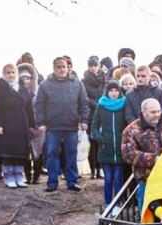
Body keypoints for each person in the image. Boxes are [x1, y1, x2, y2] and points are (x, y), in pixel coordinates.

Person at [121, 98, 162, 213]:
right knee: (147, 215)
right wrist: (154, 158)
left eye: (158, 111)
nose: (157, 115)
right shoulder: (131, 130)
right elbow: (128, 154)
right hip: (148, 179)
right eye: (153, 112)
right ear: (144, 111)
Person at [35, 56, 89, 192]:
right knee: (51, 153)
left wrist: (84, 120)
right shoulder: (45, 85)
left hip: (71, 125)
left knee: (71, 153)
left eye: (64, 67)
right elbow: (39, 105)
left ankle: (72, 181)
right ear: (54, 69)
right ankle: (52, 182)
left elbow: (84, 103)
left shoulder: (77, 83)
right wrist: (41, 122)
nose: (62, 69)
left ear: (68, 68)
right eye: (59, 67)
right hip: (52, 126)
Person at [0, 63, 35, 189]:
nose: (11, 75)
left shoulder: (22, 88)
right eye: (8, 73)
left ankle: (18, 176)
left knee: (20, 152)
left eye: (13, 72)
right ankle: (9, 176)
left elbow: (29, 108)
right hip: (7, 124)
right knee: (8, 152)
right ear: (4, 74)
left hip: (21, 124)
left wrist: (31, 124)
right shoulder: (1, 90)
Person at [91, 81, 126, 210]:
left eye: (116, 90)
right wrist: (101, 139)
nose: (114, 93)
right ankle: (108, 203)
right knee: (108, 178)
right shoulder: (101, 106)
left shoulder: (124, 104)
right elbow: (94, 126)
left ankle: (117, 204)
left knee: (118, 178)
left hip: (120, 149)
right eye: (111, 91)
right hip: (105, 149)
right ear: (107, 92)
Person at [17, 62, 45, 184]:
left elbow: (44, 107)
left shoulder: (39, 91)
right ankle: (28, 176)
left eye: (28, 78)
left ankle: (37, 176)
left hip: (38, 126)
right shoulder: (16, 91)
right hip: (23, 126)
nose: (26, 81)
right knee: (25, 152)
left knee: (38, 152)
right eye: (23, 78)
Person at [81, 55, 105, 179]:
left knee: (101, 143)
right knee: (92, 144)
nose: (93, 68)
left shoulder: (104, 79)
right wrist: (97, 105)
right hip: (91, 115)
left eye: (95, 65)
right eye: (91, 66)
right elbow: (84, 98)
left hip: (103, 116)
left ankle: (99, 169)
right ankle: (92, 170)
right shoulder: (84, 81)